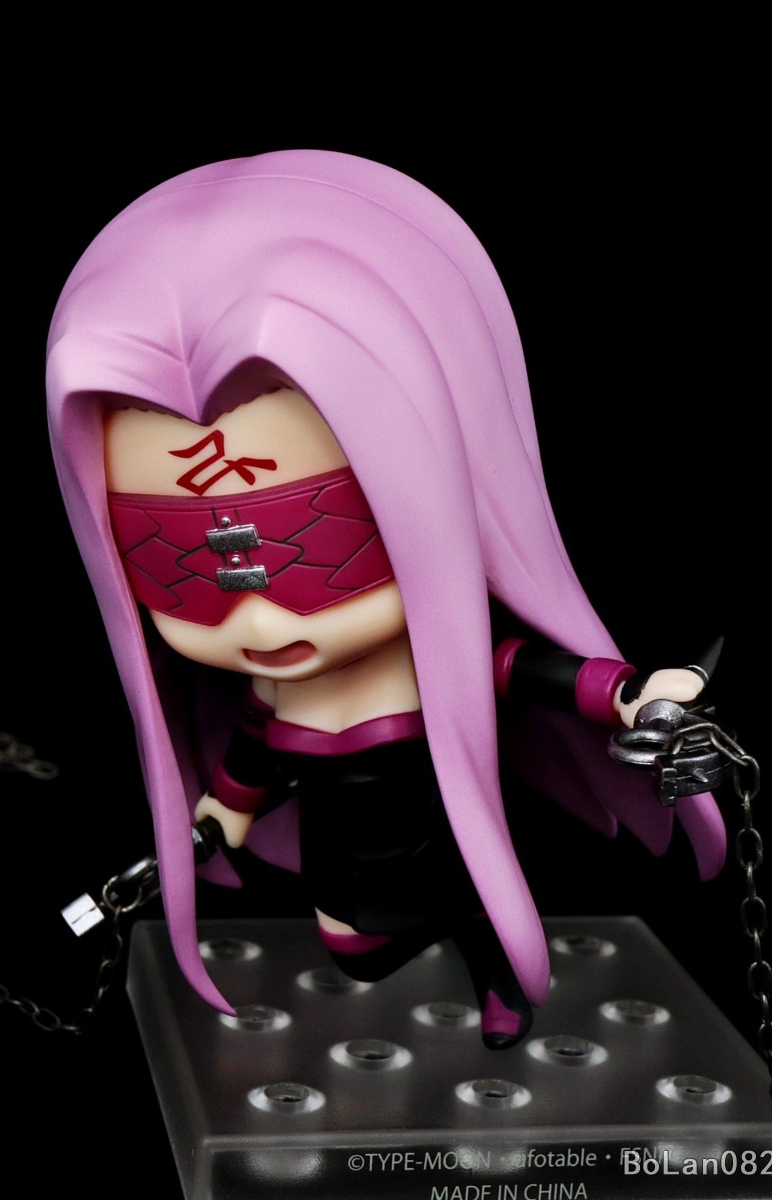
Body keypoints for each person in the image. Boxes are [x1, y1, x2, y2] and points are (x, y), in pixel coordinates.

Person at [47, 150, 724, 1048]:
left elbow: (530, 672)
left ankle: (494, 966)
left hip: (437, 815)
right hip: (338, 841)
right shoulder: (273, 688)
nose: (259, 614)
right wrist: (226, 810)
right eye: (177, 562)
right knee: (357, 949)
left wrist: (631, 695)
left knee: (466, 898)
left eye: (322, 540)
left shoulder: (440, 665)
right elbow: (255, 742)